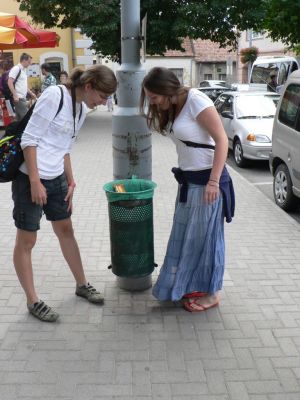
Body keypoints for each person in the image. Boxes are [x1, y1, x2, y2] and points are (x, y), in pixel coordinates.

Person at [12, 64, 117, 322]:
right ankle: (32, 300)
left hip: (57, 177)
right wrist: (36, 182)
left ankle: (82, 284)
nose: (104, 103)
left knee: (66, 230)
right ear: (89, 85)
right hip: (30, 179)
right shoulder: (54, 96)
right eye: (103, 96)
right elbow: (29, 140)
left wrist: (71, 180)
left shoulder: (80, 108)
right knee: (27, 241)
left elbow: (64, 147)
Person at [140, 67, 235, 312]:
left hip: (208, 184)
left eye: (153, 97)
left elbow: (222, 140)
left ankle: (212, 294)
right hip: (189, 183)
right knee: (187, 239)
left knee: (207, 241)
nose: (152, 102)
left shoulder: (196, 101)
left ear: (166, 89)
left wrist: (214, 182)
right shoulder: (175, 105)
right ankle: (187, 287)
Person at [8, 53, 37, 121]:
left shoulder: (23, 70)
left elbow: (23, 86)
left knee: (19, 120)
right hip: (19, 98)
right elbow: (10, 82)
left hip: (21, 98)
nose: (30, 64)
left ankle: (17, 131)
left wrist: (31, 93)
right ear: (24, 60)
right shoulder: (16, 69)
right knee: (26, 119)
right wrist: (15, 95)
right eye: (29, 62)